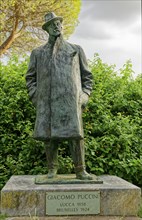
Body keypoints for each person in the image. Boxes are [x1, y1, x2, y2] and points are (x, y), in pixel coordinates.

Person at [26, 12, 93, 180]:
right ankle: (51, 169)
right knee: (49, 137)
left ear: (62, 26)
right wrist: (35, 96)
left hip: (70, 101)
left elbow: (87, 76)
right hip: (47, 102)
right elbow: (30, 78)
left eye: (58, 23)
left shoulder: (75, 50)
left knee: (75, 136)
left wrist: (85, 95)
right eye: (52, 24)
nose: (56, 26)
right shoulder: (38, 53)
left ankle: (80, 170)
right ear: (47, 29)